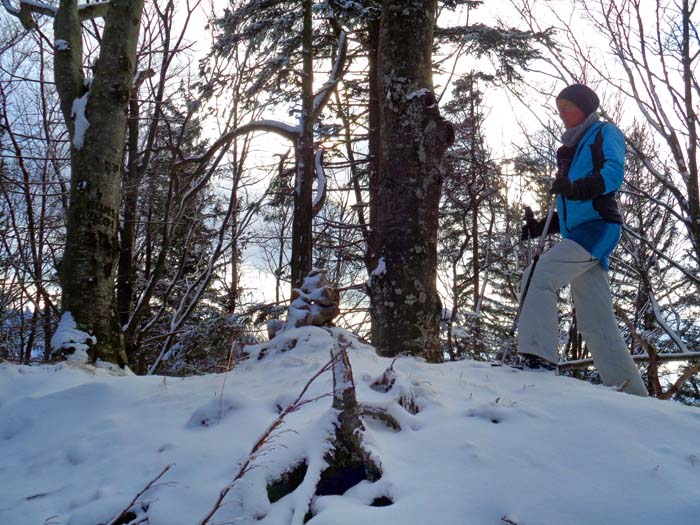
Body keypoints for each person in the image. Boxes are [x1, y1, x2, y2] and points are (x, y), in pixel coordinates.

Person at [518, 83, 647, 397]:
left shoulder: (604, 133)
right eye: (559, 108)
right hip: (578, 231)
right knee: (594, 320)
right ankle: (632, 395)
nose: (562, 113)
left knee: (539, 275)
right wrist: (539, 229)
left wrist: (574, 188)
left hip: (599, 227)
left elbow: (613, 175)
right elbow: (569, 205)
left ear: (585, 107)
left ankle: (539, 358)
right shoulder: (568, 149)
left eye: (568, 107)